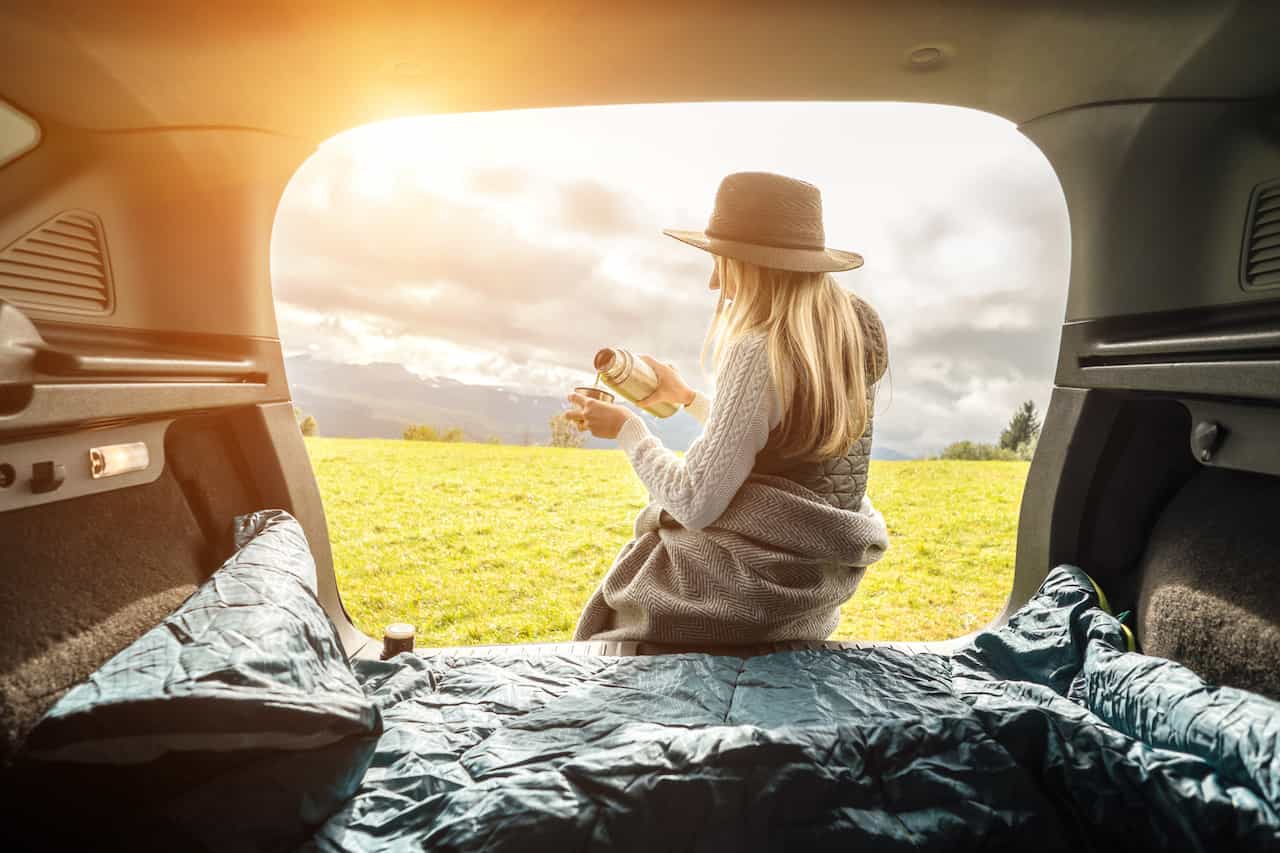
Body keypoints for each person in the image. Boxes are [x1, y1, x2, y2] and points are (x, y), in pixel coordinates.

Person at [567, 171, 890, 645]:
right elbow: (785, 442)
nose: (714, 280)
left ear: (753, 262)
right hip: (805, 600)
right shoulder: (842, 332)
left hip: (738, 597)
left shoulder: (760, 347)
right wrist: (688, 400)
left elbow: (694, 501)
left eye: (722, 261)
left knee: (624, 595)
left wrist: (627, 429)